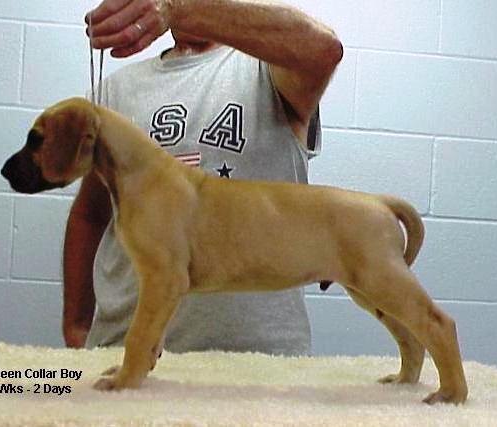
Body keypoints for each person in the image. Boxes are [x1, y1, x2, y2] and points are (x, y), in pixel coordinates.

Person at [63, 0, 342, 355]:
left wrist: (176, 8)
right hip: (125, 351)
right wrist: (76, 325)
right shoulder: (116, 90)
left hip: (257, 360)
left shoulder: (270, 68)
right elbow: (91, 213)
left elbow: (324, 49)